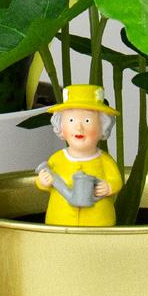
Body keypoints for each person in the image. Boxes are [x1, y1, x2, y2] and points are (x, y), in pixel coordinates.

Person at [36, 85, 123, 226]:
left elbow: (116, 180)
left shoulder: (104, 160)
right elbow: (46, 182)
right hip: (60, 221)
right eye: (71, 120)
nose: (79, 127)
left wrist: (108, 187)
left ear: (103, 127)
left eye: (87, 121)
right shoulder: (57, 159)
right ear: (60, 127)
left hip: (98, 222)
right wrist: (42, 181)